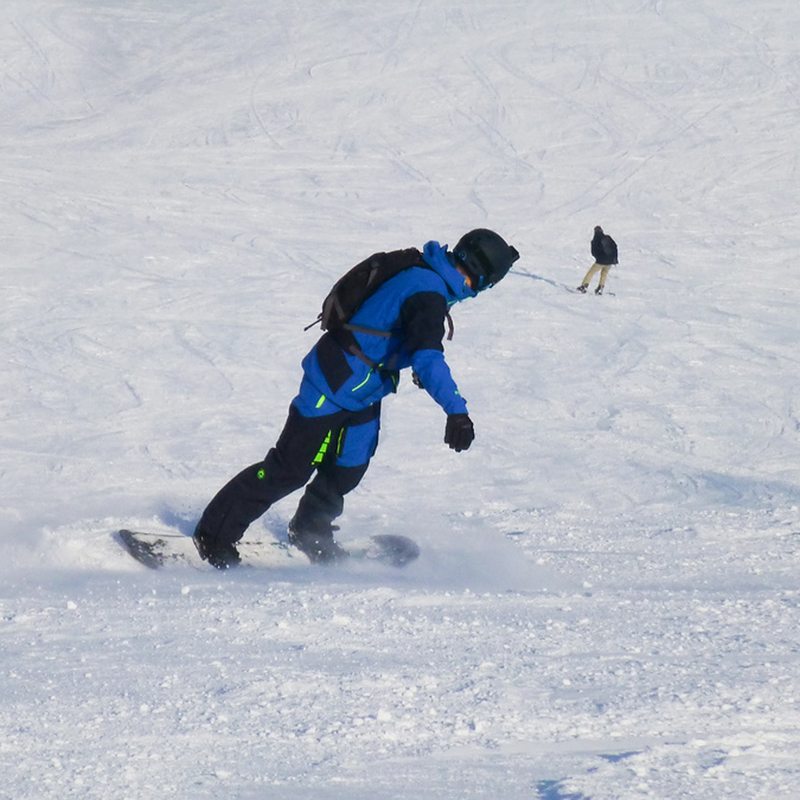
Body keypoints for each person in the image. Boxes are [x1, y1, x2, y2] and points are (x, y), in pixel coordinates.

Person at [193, 229, 520, 568]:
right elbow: (428, 357)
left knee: (349, 466)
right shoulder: (428, 293)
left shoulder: (433, 277)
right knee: (289, 469)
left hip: (365, 389)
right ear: (482, 281)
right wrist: (457, 412)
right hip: (332, 382)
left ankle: (310, 530)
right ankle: (213, 534)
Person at [577, 225, 618, 295]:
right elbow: (615, 246)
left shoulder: (595, 240)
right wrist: (614, 258)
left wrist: (598, 258)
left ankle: (584, 286)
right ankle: (600, 287)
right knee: (604, 274)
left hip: (601, 261)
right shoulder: (608, 237)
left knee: (591, 272)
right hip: (610, 260)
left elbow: (593, 252)